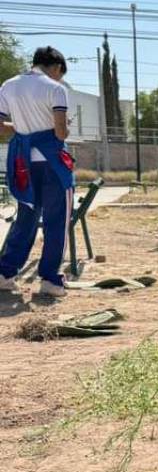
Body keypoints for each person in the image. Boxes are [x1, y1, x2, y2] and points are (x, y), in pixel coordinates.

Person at [0, 47, 74, 298]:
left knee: (26, 218)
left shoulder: (8, 85)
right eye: (60, 73)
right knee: (57, 221)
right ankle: (50, 279)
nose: (59, 78)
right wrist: (63, 128)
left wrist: (22, 128)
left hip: (23, 162)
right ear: (55, 67)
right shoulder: (55, 88)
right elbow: (61, 132)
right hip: (52, 163)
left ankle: (6, 272)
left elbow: (0, 126)